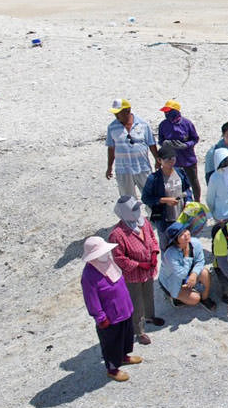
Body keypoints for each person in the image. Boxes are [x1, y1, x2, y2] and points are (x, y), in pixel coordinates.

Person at [80, 237, 142, 382]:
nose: (107, 253)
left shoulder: (109, 262)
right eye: (102, 252)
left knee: (126, 336)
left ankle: (124, 356)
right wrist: (100, 317)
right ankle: (112, 369)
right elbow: (91, 299)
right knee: (111, 343)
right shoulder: (88, 275)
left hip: (124, 310)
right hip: (110, 317)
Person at [109, 196, 163, 345]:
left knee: (149, 294)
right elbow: (119, 258)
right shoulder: (117, 234)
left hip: (148, 269)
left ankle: (150, 316)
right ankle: (139, 331)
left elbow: (152, 238)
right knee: (136, 302)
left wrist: (153, 254)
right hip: (133, 275)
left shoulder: (143, 221)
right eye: (134, 209)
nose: (137, 211)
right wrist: (138, 264)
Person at [105, 99, 159, 199]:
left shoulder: (143, 124)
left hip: (142, 168)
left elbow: (151, 143)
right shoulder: (112, 127)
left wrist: (157, 159)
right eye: (115, 113)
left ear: (128, 111)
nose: (116, 116)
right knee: (127, 201)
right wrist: (109, 167)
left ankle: (152, 215)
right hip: (123, 170)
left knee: (151, 197)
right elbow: (111, 148)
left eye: (118, 113)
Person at [142, 141, 192, 240]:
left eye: (173, 158)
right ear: (159, 160)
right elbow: (145, 198)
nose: (171, 161)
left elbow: (187, 189)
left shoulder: (180, 172)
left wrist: (189, 201)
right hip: (164, 220)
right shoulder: (153, 178)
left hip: (182, 217)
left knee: (184, 243)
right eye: (168, 159)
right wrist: (164, 200)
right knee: (166, 247)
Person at [158, 220, 215, 310]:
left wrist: (194, 274)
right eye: (181, 234)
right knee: (195, 299)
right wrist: (187, 255)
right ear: (176, 241)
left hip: (188, 274)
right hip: (173, 281)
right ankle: (175, 298)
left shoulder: (195, 242)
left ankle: (205, 298)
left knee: (205, 273)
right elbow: (182, 274)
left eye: (185, 230)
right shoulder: (170, 255)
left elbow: (200, 261)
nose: (186, 234)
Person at [157, 100, 201, 201]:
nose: (166, 114)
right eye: (165, 111)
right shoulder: (163, 125)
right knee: (176, 183)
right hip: (173, 161)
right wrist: (165, 144)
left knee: (193, 181)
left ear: (176, 111)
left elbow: (195, 139)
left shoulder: (187, 123)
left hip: (188, 159)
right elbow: (160, 140)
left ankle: (197, 201)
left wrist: (186, 145)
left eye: (168, 111)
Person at [204, 149, 228, 222]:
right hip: (222, 216)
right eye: (226, 163)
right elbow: (210, 199)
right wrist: (214, 214)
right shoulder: (215, 178)